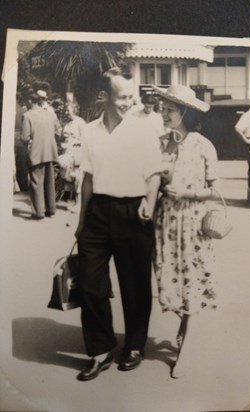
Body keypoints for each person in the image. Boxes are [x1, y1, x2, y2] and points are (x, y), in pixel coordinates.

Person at [75, 67, 162, 381]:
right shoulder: (89, 131)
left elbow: (154, 172)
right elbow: (86, 177)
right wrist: (82, 220)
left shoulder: (142, 130)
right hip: (98, 210)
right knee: (88, 281)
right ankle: (100, 348)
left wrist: (149, 204)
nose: (130, 101)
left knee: (135, 284)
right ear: (105, 96)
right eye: (123, 96)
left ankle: (135, 345)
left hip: (133, 210)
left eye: (132, 95)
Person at [152, 85, 219, 378]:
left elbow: (216, 191)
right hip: (164, 224)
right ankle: (185, 323)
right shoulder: (160, 142)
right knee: (167, 283)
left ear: (185, 113)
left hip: (192, 225)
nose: (163, 113)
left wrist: (188, 194)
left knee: (191, 281)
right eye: (162, 107)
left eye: (169, 109)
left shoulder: (203, 145)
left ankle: (188, 346)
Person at [21, 90, 59, 219]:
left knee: (36, 182)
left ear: (30, 101)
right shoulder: (50, 115)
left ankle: (38, 212)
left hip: (36, 152)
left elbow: (25, 137)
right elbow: (57, 130)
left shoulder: (27, 115)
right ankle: (51, 209)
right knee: (49, 182)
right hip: (50, 151)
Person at [57, 101, 86, 212]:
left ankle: (79, 205)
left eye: (68, 110)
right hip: (68, 152)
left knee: (78, 177)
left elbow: (86, 138)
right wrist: (63, 144)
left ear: (74, 110)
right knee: (69, 177)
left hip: (77, 153)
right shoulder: (68, 123)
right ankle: (73, 201)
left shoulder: (80, 122)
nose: (66, 112)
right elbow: (63, 138)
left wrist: (77, 143)